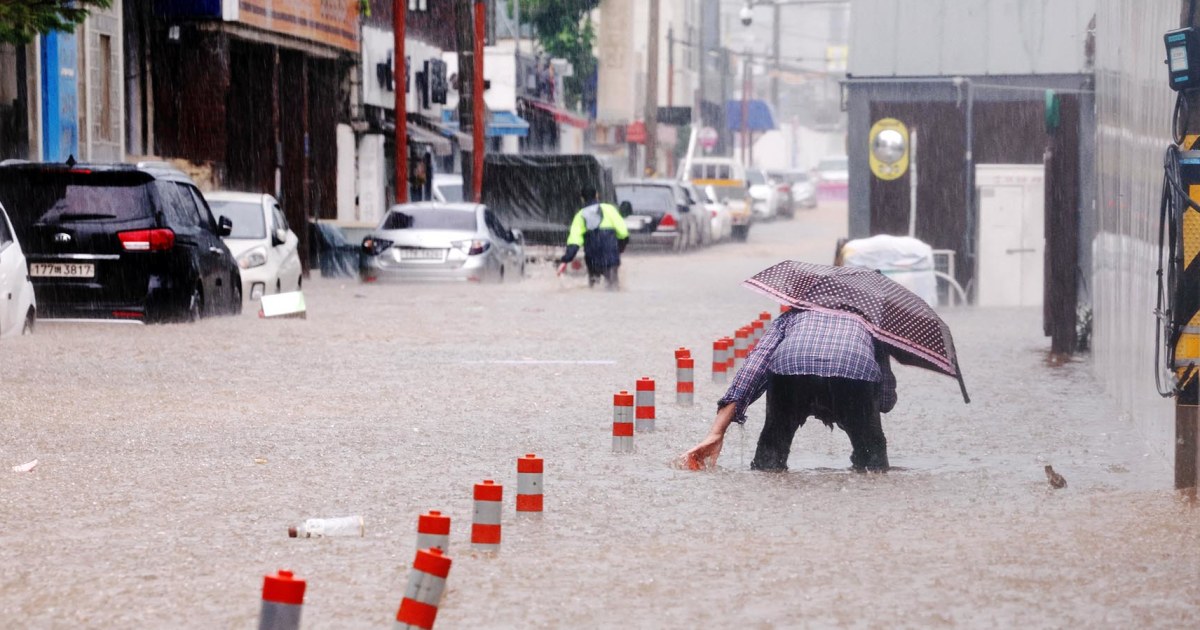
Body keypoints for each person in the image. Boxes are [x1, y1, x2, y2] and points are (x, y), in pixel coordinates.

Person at [682, 308, 897, 472]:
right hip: (852, 372)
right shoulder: (871, 324)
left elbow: (754, 367)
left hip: (790, 371)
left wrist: (717, 431)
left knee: (769, 463)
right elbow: (886, 400)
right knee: (873, 462)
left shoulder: (791, 315)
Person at [557, 186, 629, 289]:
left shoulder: (580, 216)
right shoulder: (609, 209)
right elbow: (623, 232)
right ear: (597, 195)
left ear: (582, 198)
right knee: (613, 287)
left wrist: (567, 258)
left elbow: (574, 241)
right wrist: (620, 247)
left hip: (592, 257)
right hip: (611, 255)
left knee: (594, 286)